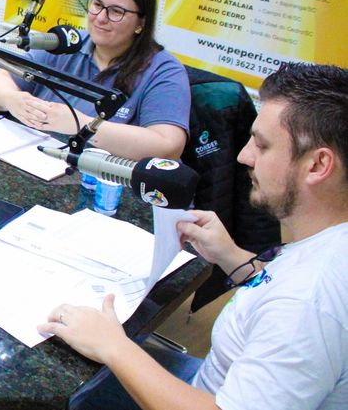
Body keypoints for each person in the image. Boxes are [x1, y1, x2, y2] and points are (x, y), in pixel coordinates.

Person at [40, 62, 348, 410]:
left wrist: (114, 347)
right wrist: (233, 257)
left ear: (317, 165)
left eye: (262, 146)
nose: (244, 156)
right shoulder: (327, 245)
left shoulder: (307, 305)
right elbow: (281, 292)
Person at [0, 0, 189, 160]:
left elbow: (168, 147)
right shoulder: (67, 42)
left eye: (116, 11)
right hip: (33, 158)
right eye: (97, 5)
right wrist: (12, 99)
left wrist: (82, 124)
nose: (101, 18)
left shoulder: (163, 71)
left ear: (141, 23)